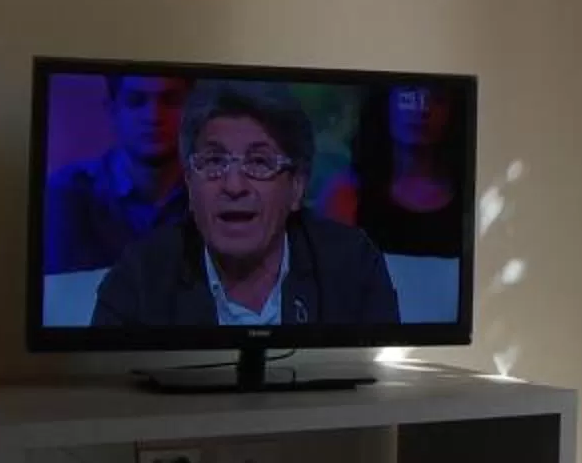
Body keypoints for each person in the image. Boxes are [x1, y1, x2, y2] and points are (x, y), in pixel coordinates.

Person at [92, 80, 400, 329]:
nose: (234, 186)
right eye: (214, 161)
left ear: (296, 188)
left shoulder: (351, 267)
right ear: (189, 183)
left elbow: (377, 389)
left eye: (259, 162)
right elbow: (106, 396)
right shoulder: (141, 278)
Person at [43, 73, 189, 273]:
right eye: (135, 101)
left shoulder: (215, 194)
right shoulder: (66, 192)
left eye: (170, 101)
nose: (153, 116)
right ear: (113, 111)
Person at [354, 82, 465, 261]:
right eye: (409, 95)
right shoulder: (346, 194)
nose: (422, 109)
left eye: (437, 99)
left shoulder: (471, 195)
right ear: (385, 101)